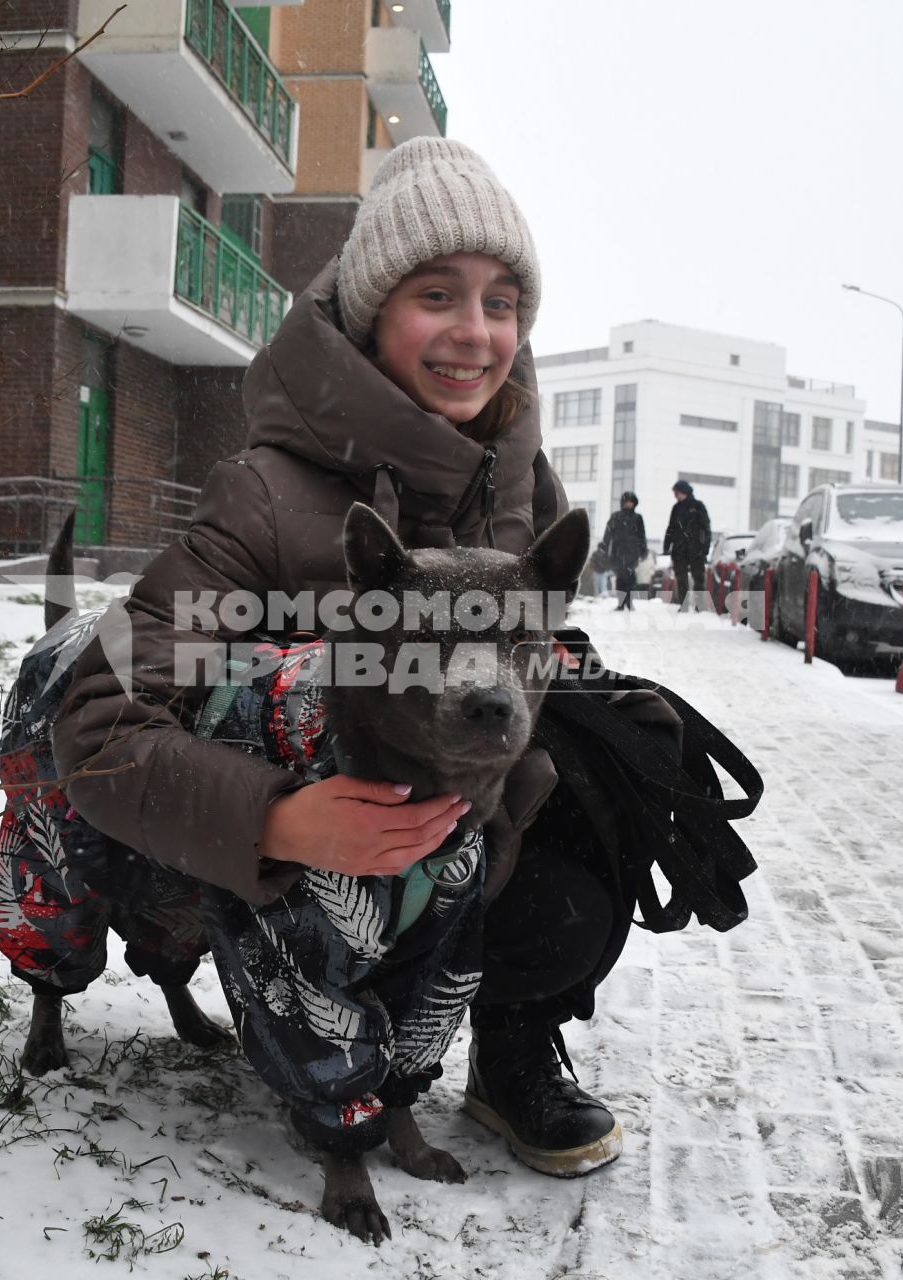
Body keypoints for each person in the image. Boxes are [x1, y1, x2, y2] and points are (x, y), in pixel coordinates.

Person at [53, 138, 635, 1180]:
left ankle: (506, 1049)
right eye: (437, 293)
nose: (475, 330)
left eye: (503, 301)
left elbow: (526, 659)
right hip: (293, 857)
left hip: (447, 839)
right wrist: (276, 818)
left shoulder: (524, 490)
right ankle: (304, 1027)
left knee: (609, 788)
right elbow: (92, 716)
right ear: (372, 310)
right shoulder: (264, 497)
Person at [664, 479, 711, 612]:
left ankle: (700, 606)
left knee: (698, 579)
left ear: (683, 492)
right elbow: (671, 528)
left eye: (676, 493)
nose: (675, 496)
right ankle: (683, 605)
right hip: (679, 549)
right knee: (681, 579)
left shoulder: (698, 506)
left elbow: (706, 528)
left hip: (696, 549)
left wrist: (705, 547)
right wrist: (667, 546)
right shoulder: (676, 508)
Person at [597, 491, 647, 611]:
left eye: (631, 502)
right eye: (627, 502)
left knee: (630, 577)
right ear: (623, 503)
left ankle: (629, 603)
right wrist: (604, 546)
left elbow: (642, 535)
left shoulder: (638, 518)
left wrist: (643, 549)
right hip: (618, 552)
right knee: (620, 578)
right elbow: (608, 533)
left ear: (634, 503)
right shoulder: (616, 516)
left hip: (632, 552)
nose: (629, 504)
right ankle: (620, 603)